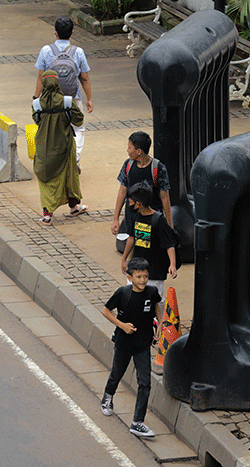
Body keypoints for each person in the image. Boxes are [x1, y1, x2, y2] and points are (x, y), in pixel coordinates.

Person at [100, 257, 162, 438]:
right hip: (124, 344)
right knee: (117, 374)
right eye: (138, 277)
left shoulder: (151, 291)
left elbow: (157, 306)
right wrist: (122, 325)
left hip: (143, 344)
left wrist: (159, 323)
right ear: (130, 277)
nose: (142, 280)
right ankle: (107, 397)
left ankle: (137, 422)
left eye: (145, 276)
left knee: (145, 383)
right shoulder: (123, 293)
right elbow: (105, 311)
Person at [34, 16, 93, 170]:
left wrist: (36, 98)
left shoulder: (46, 50)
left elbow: (41, 76)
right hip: (73, 97)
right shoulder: (78, 52)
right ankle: (75, 159)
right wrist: (89, 99)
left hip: (50, 98)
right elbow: (84, 78)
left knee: (51, 128)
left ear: (55, 33)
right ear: (72, 33)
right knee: (78, 127)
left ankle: (54, 161)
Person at [32, 70, 88, 225]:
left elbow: (37, 121)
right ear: (57, 83)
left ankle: (47, 215)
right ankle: (74, 207)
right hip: (65, 146)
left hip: (44, 148)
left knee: (46, 180)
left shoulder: (37, 104)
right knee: (70, 177)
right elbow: (78, 120)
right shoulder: (67, 102)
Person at [121, 181, 178, 303]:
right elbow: (131, 237)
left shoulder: (158, 220)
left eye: (131, 203)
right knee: (133, 298)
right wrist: (124, 258)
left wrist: (172, 264)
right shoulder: (134, 216)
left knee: (154, 301)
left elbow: (169, 244)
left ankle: (158, 321)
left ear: (138, 204)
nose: (129, 206)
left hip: (154, 271)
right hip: (136, 267)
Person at [111, 131, 172, 237]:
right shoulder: (128, 165)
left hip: (150, 217)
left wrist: (169, 225)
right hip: (132, 216)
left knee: (144, 246)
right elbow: (122, 191)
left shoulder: (158, 168)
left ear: (139, 151)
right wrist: (115, 219)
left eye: (130, 147)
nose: (127, 150)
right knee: (132, 241)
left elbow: (164, 197)